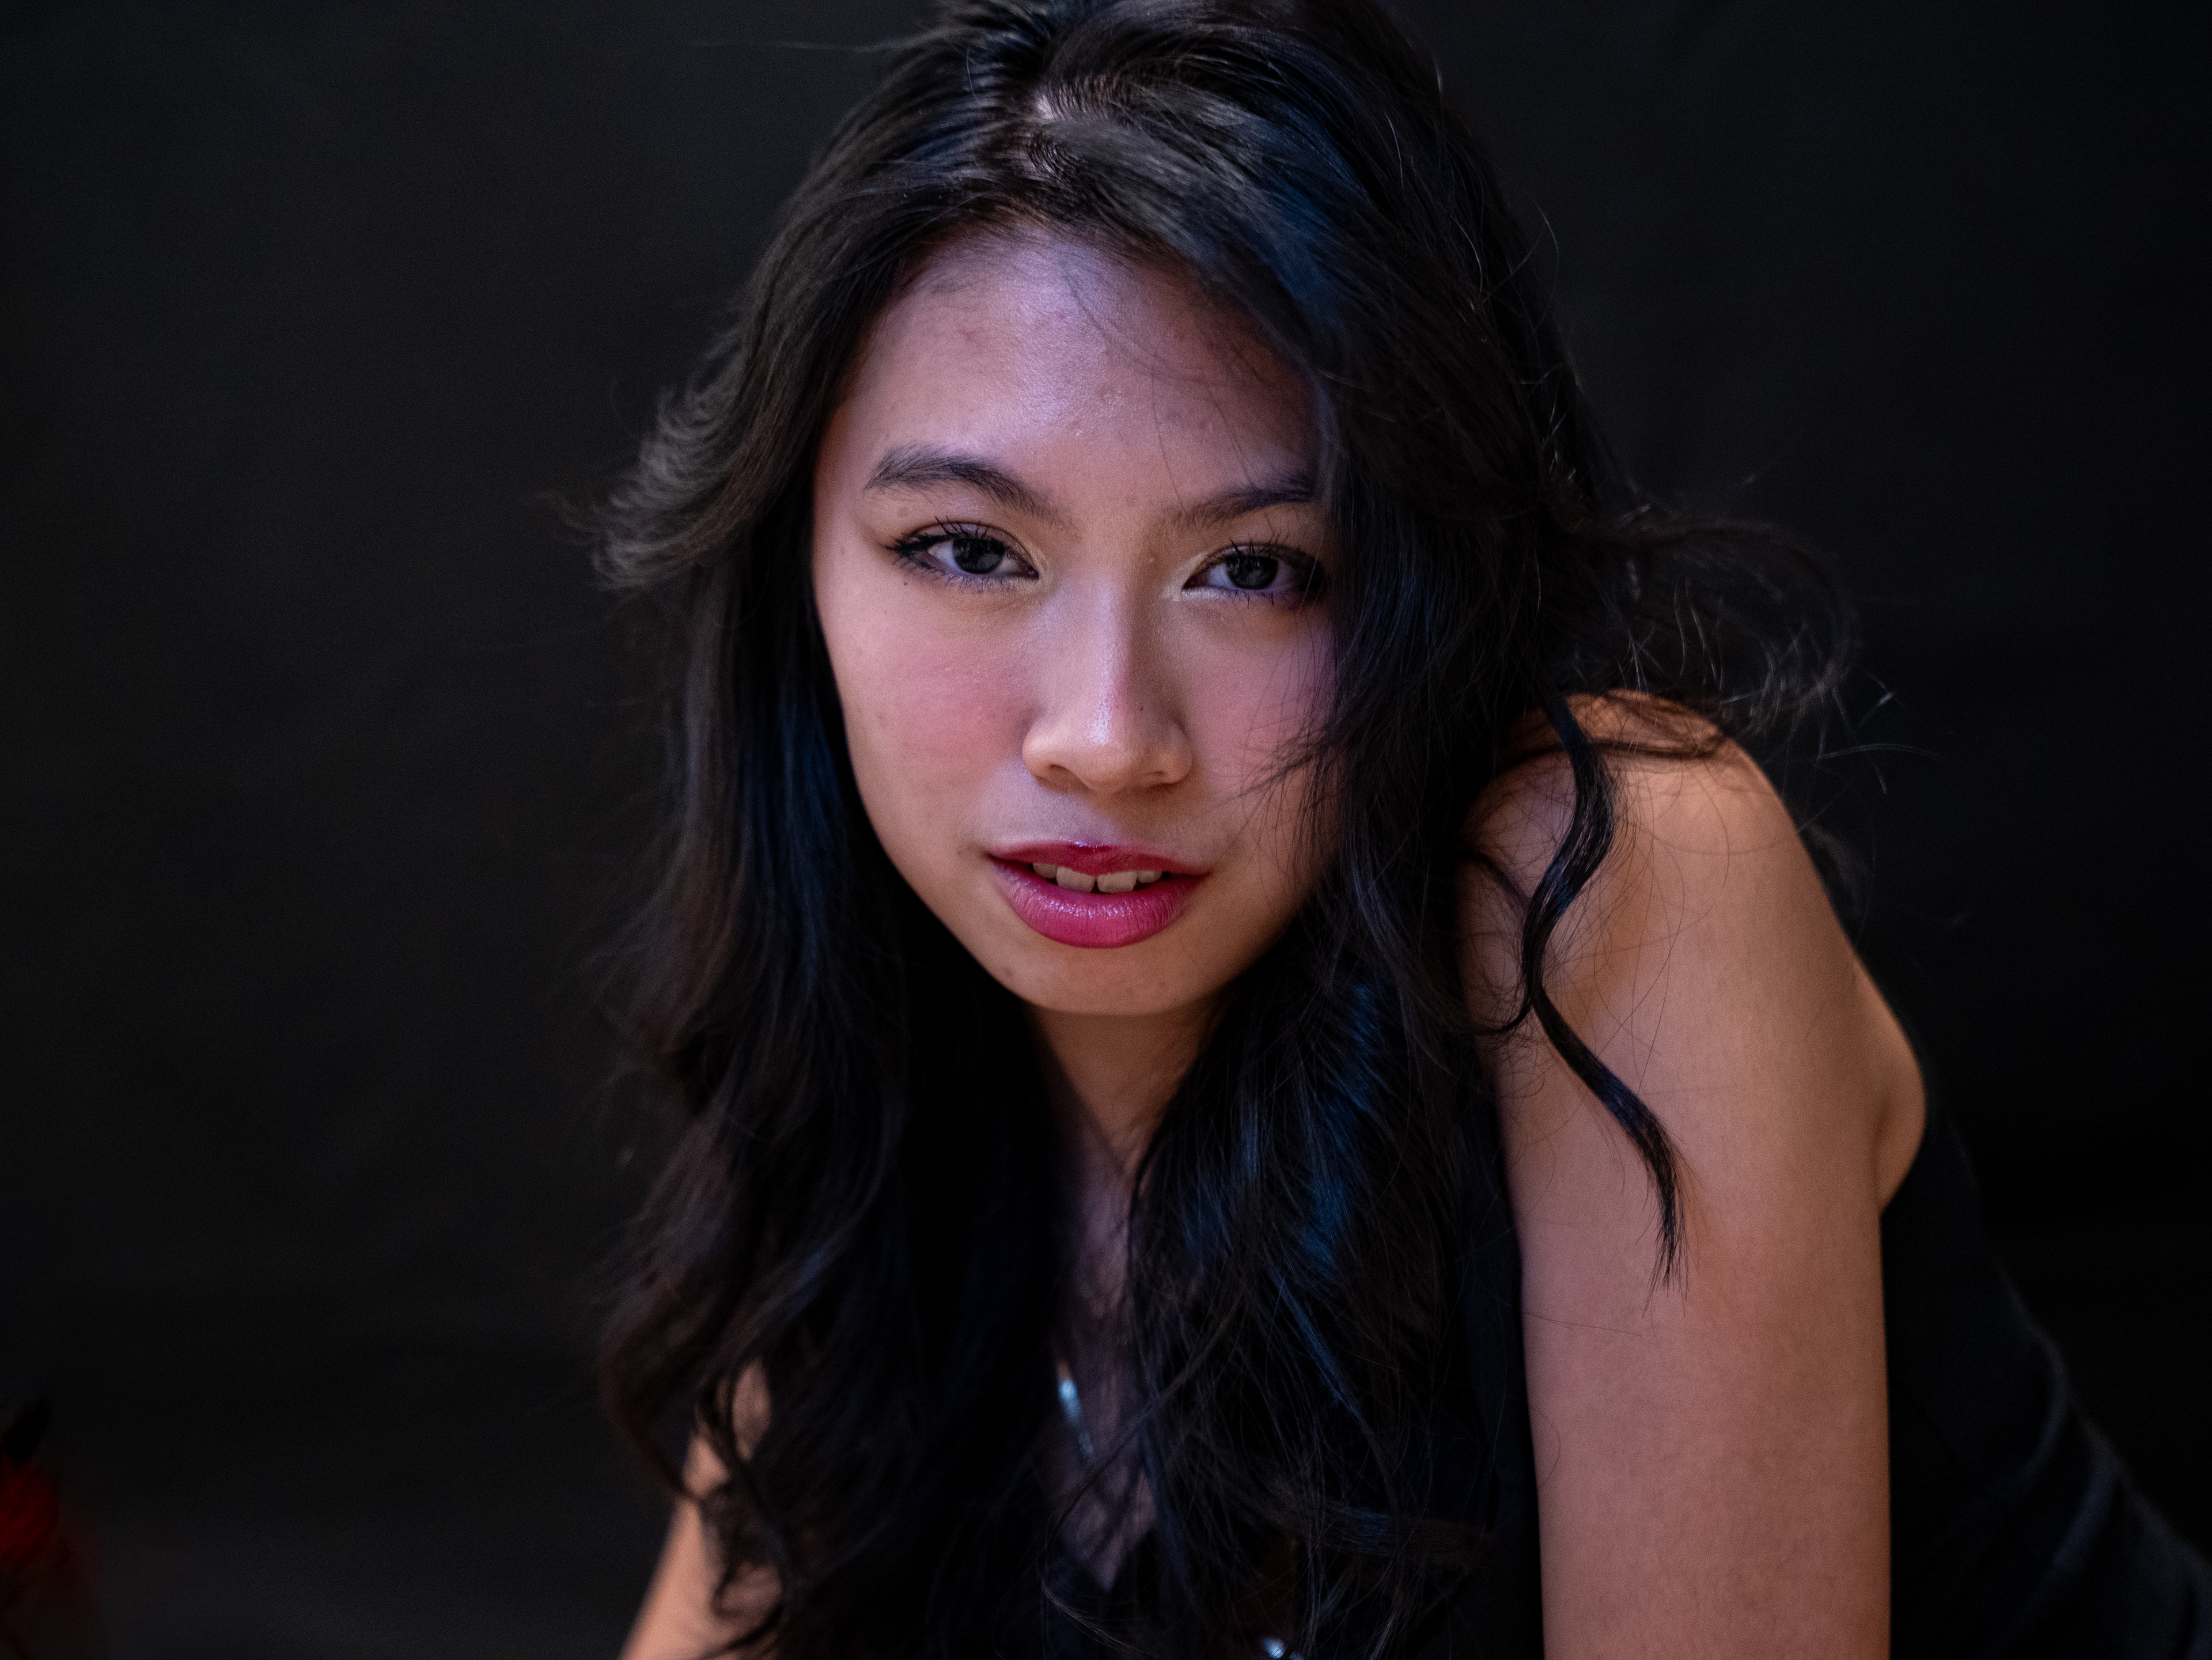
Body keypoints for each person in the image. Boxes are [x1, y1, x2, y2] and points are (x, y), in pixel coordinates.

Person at [595, 1, 2212, 1654]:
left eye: (1257, 571)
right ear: (800, 571)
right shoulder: (884, 1083)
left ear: (1423, 596)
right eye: (968, 549)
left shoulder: (1614, 881)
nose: (1107, 738)